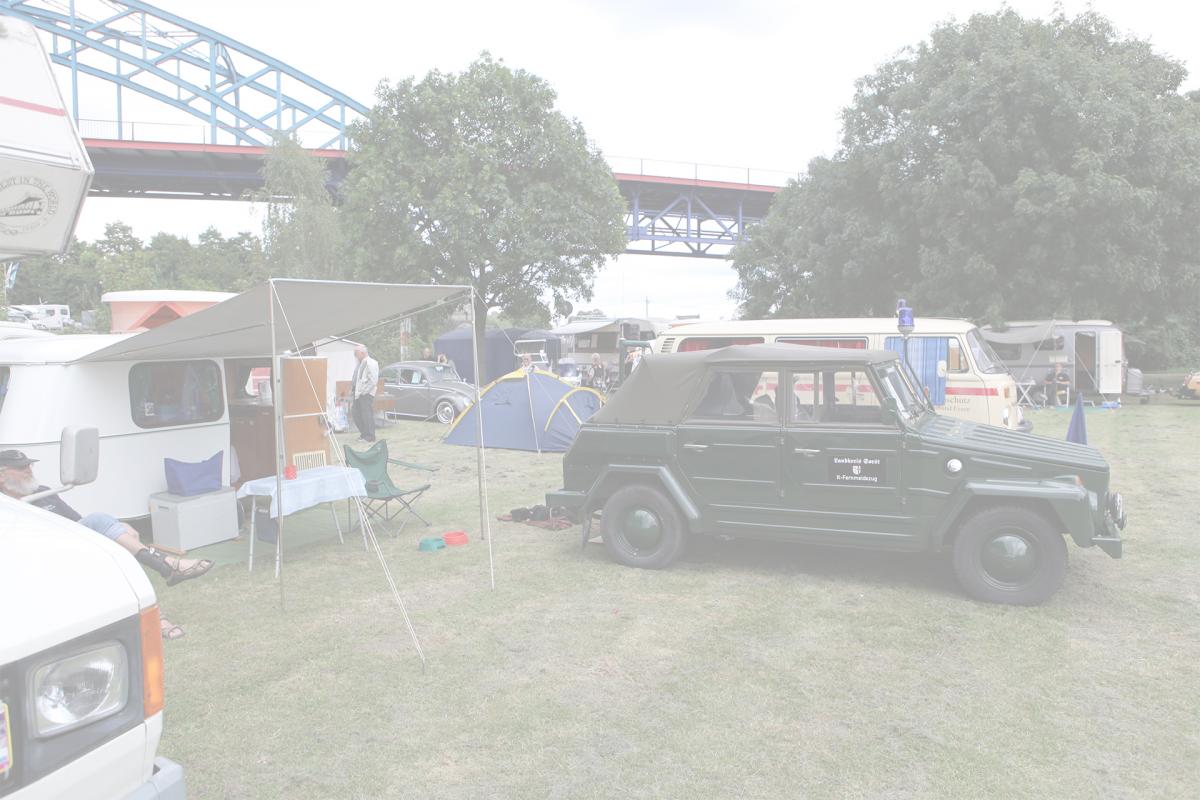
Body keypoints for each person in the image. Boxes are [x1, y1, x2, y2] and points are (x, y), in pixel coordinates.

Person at [0, 449, 211, 639]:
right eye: (21, 467)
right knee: (103, 525)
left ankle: (155, 614)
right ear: (1, 475)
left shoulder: (44, 493)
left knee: (119, 552)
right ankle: (167, 566)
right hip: (39, 562)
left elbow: (78, 522)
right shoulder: (5, 508)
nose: (28, 470)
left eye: (29, 465)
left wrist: (117, 526)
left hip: (72, 549)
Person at [351, 344, 379, 442]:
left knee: (367, 414)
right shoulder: (360, 363)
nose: (355, 355)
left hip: (365, 393)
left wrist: (364, 391)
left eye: (356, 353)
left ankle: (370, 436)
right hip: (358, 392)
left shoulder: (371, 363)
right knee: (356, 413)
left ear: (362, 352)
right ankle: (364, 434)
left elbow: (373, 380)